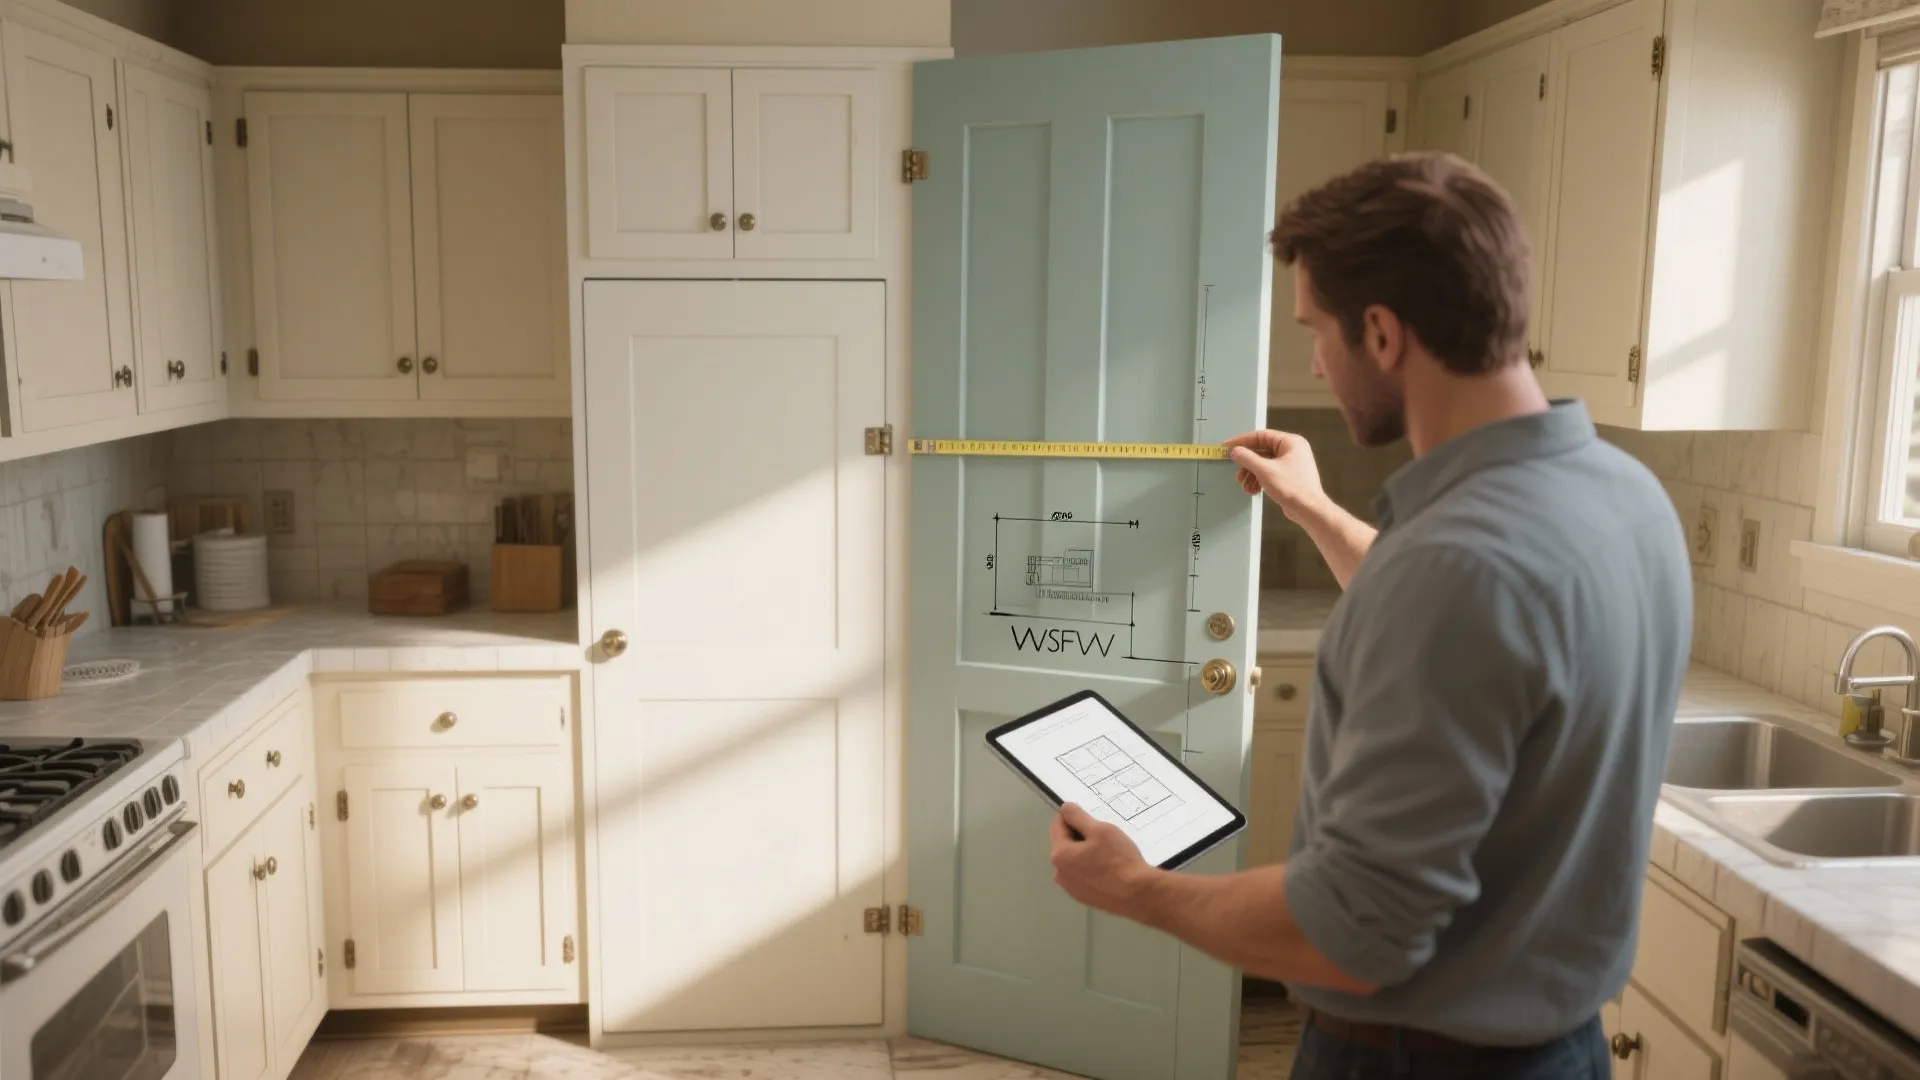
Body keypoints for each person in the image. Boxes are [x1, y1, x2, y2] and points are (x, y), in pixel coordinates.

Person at [1046, 152, 1691, 1078]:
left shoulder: (1452, 570)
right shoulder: (1624, 498)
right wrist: (1315, 509)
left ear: (1382, 333)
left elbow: (1351, 933)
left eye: (1316, 330)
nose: (1313, 358)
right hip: (1565, 1049)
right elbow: (1483, 634)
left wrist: (1139, 891)